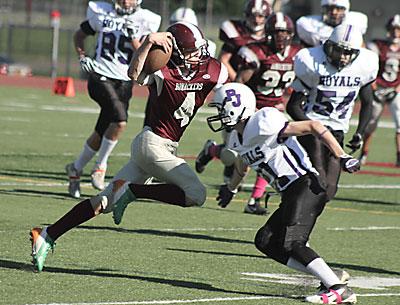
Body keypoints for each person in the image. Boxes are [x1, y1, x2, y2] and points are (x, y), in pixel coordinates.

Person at [30, 21, 228, 272]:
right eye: (191, 52)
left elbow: (227, 84)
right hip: (153, 144)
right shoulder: (162, 71)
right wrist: (147, 44)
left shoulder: (212, 68)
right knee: (196, 194)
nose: (199, 55)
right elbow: (134, 74)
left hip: (158, 148)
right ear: (175, 52)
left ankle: (47, 234)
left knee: (103, 202)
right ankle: (133, 191)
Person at [206, 82, 360, 304]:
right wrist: (231, 188)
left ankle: (339, 290)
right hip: (290, 192)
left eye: (221, 108)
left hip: (305, 184)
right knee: (266, 240)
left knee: (292, 243)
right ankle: (330, 277)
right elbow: (243, 164)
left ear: (234, 108)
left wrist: (342, 155)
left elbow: (313, 126)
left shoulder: (264, 121)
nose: (219, 114)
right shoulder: (235, 139)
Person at [66, 0, 161, 198]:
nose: (125, 1)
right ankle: (100, 167)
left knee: (102, 129)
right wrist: (82, 56)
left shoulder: (147, 19)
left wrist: (135, 38)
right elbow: (79, 35)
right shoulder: (101, 11)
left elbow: (146, 58)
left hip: (125, 81)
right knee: (120, 120)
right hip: (100, 75)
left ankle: (75, 169)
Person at [286, 24, 378, 202]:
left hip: (337, 132)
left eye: (348, 53)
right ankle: (287, 221)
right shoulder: (312, 62)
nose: (343, 57)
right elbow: (293, 106)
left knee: (329, 191)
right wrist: (312, 127)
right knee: (317, 182)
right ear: (328, 46)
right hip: (312, 128)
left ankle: (293, 215)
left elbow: (367, 103)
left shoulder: (364, 67)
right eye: (338, 51)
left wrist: (360, 132)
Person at [195, 0, 273, 186]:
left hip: (260, 92)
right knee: (233, 147)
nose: (256, 19)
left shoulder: (271, 37)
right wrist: (239, 85)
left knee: (259, 140)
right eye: (253, 15)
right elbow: (223, 60)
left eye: (261, 15)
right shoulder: (236, 32)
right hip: (237, 92)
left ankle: (213, 151)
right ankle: (217, 155)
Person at [234, 12, 301, 215]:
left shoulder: (297, 53)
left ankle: (254, 199)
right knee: (239, 158)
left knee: (270, 152)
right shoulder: (256, 51)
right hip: (253, 110)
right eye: (277, 32)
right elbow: (239, 83)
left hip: (276, 111)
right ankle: (212, 151)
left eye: (285, 32)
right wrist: (245, 107)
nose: (281, 37)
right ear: (269, 33)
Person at [359, 15, 400, 167]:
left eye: (398, 29)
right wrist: (373, 83)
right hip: (379, 89)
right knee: (371, 124)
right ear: (388, 30)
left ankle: (399, 157)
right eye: (393, 29)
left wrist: (398, 87)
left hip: (395, 89)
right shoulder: (377, 45)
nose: (396, 33)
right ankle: (363, 154)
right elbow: (369, 64)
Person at [296, 0, 368, 47]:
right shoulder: (309, 23)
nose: (334, 12)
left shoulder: (355, 21)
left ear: (346, 10)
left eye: (338, 9)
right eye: (330, 8)